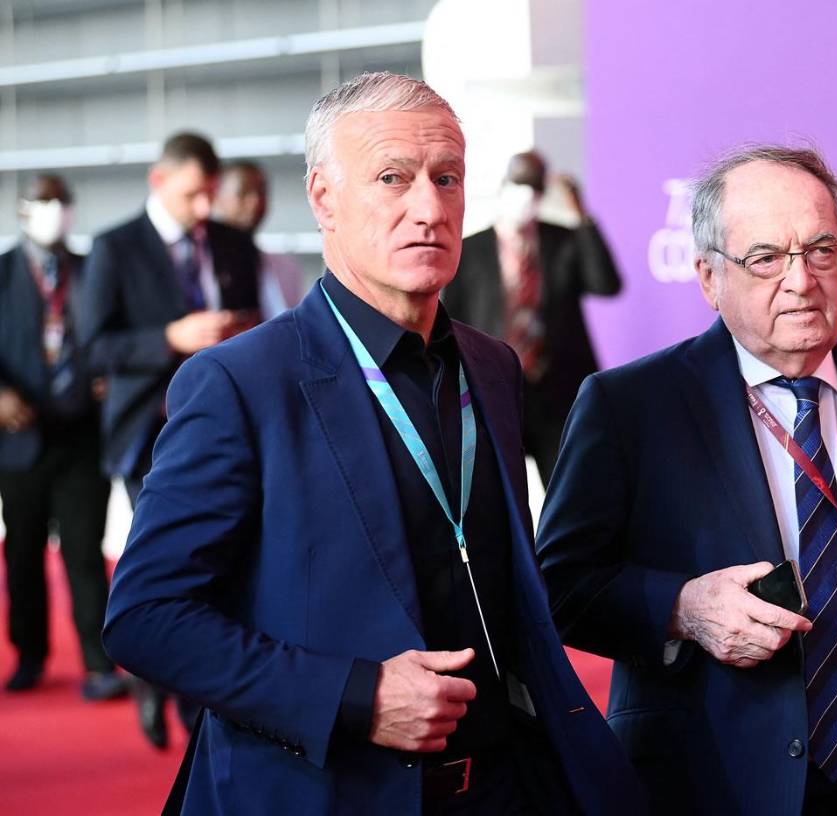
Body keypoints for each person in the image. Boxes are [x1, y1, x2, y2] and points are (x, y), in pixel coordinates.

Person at [103, 72, 642, 814]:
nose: (429, 207)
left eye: (446, 178)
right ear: (323, 197)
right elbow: (146, 618)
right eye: (394, 178)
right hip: (332, 791)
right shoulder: (239, 383)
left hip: (507, 783)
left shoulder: (491, 366)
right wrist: (356, 697)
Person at [537, 145, 837, 815]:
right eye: (765, 259)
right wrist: (680, 609)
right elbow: (561, 584)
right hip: (714, 781)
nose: (802, 280)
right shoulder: (631, 407)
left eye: (822, 251)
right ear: (709, 277)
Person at [78, 132, 261, 748]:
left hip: (229, 421)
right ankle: (160, 682)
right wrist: (171, 337)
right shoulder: (115, 247)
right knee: (170, 564)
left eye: (211, 195)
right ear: (160, 182)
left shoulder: (234, 243)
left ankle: (200, 695)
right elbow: (92, 348)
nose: (206, 209)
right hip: (147, 429)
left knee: (230, 562)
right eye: (193, 196)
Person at [0, 174, 124, 701]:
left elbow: (113, 334)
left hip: (82, 433)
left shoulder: (91, 268)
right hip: (19, 435)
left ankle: (99, 663)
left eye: (61, 201)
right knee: (23, 550)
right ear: (23, 210)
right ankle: (29, 655)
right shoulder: (3, 272)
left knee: (82, 549)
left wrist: (110, 378)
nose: (54, 210)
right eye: (43, 201)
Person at [443, 151, 622, 484]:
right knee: (495, 492)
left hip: (557, 387)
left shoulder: (562, 240)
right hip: (493, 388)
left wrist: (581, 217)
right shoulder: (468, 251)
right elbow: (449, 320)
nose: (525, 199)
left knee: (570, 489)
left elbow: (606, 284)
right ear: (503, 188)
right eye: (518, 187)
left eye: (534, 191)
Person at [212, 160, 305, 319]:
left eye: (261, 192)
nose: (255, 201)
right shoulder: (201, 263)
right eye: (243, 193)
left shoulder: (285, 267)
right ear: (216, 196)